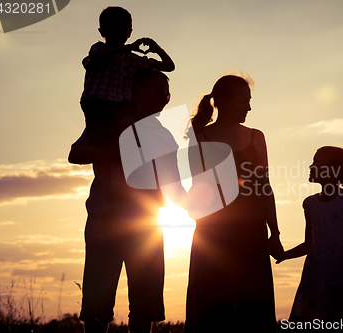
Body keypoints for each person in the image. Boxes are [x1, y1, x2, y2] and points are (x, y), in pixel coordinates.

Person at [69, 70, 173, 333]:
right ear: (138, 89)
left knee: (145, 305)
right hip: (105, 221)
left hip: (146, 223)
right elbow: (75, 153)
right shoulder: (106, 123)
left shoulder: (161, 130)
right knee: (96, 308)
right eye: (160, 91)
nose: (166, 98)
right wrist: (115, 151)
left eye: (168, 93)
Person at [184, 75, 283, 333]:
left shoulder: (256, 137)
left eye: (249, 102)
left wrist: (275, 232)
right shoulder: (200, 137)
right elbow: (197, 188)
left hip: (252, 236)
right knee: (214, 306)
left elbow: (265, 187)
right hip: (215, 235)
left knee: (251, 308)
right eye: (243, 102)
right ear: (224, 102)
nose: (248, 108)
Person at [80, 6, 175, 221]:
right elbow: (96, 56)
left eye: (123, 28)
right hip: (98, 106)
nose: (118, 32)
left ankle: (133, 186)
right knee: (103, 153)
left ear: (130, 31)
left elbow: (168, 66)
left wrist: (156, 48)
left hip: (121, 105)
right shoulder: (98, 50)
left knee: (132, 135)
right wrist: (128, 48)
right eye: (112, 28)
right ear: (101, 31)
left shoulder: (132, 59)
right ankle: (106, 204)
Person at [276, 146, 343, 325]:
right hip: (317, 273)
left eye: (317, 162)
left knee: (342, 323)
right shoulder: (310, 204)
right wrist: (284, 255)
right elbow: (309, 244)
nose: (310, 166)